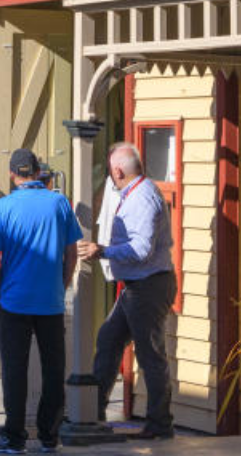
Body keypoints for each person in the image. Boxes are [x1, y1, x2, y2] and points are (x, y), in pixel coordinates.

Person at [0, 148, 82, 455]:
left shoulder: (3, 207)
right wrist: (61, 284)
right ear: (39, 172)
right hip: (50, 301)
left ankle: (14, 437)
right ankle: (49, 436)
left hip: (13, 301)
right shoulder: (59, 203)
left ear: (13, 175)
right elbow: (71, 253)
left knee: (15, 370)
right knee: (54, 370)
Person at [76, 142, 177, 440]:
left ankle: (160, 423)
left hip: (148, 284)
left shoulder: (142, 198)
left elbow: (142, 249)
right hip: (137, 284)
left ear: (118, 171)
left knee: (150, 354)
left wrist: (103, 251)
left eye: (111, 172)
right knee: (108, 339)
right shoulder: (134, 193)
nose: (110, 177)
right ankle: (93, 412)